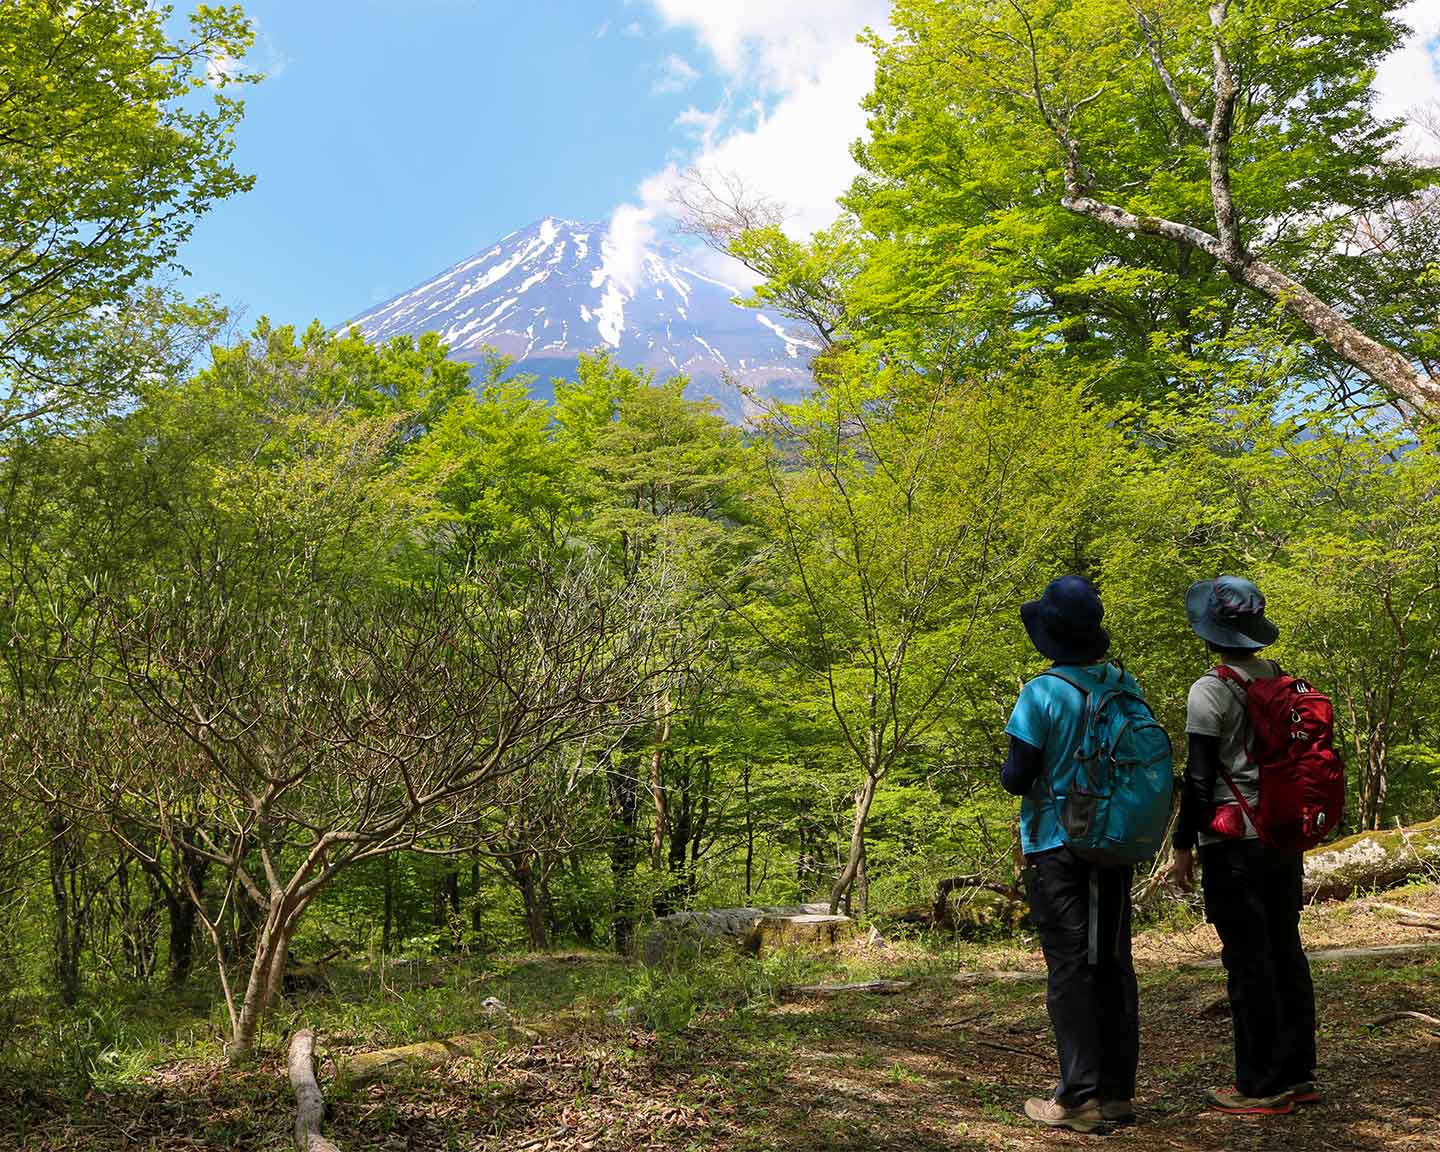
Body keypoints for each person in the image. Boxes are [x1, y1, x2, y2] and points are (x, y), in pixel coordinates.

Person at [1167, 576, 1318, 1116]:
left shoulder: (1210, 689)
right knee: (1284, 948)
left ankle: (1259, 1085)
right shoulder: (1280, 680)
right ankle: (1298, 1073)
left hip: (1233, 843)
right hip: (1281, 833)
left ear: (1209, 632)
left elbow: (1200, 779)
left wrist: (1183, 845)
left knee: (1247, 962)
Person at [1002, 575, 1139, 1134]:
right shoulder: (1123, 685)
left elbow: (1017, 777)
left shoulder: (1042, 692)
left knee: (1069, 968)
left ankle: (1076, 1098)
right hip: (1114, 839)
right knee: (1111, 961)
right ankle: (1114, 1095)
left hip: (1058, 844)